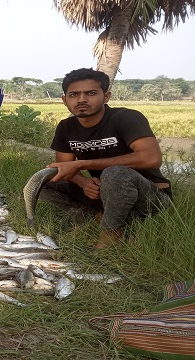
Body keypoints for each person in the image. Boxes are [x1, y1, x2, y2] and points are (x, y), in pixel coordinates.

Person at [39, 68, 172, 249]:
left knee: (115, 174)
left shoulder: (126, 117)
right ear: (65, 100)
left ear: (106, 96)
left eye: (91, 93)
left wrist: (83, 163)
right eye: (74, 94)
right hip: (105, 192)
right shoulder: (66, 127)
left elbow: (151, 158)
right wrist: (83, 183)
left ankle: (111, 232)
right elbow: (64, 168)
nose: (82, 100)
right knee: (43, 180)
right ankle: (93, 218)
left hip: (149, 196)